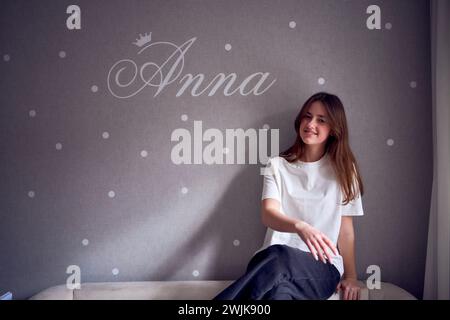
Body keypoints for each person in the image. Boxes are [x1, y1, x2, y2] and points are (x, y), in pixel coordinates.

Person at [213, 92, 365, 300]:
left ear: (334, 129)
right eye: (307, 116)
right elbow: (268, 214)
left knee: (280, 255)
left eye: (321, 120)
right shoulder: (276, 165)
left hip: (321, 268)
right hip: (271, 264)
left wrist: (352, 276)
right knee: (278, 293)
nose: (311, 123)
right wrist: (299, 226)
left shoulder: (345, 171)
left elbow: (345, 232)